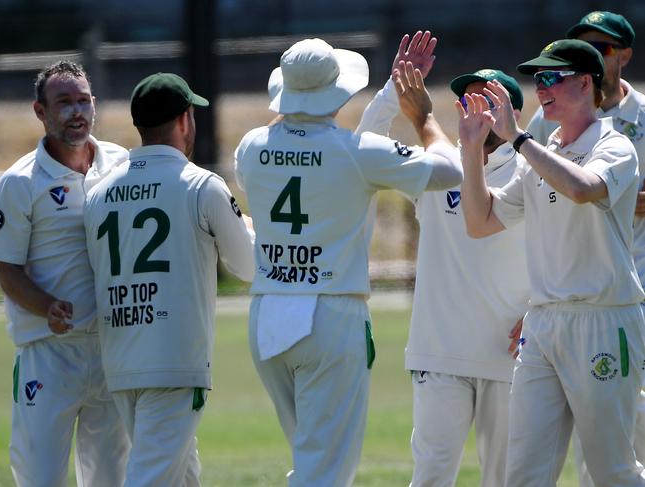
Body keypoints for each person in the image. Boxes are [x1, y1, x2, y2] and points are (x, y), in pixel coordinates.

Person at [234, 38, 463, 486]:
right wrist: (426, 118)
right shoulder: (355, 153)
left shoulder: (250, 146)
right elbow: (449, 171)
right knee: (326, 472)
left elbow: (314, 143)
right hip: (330, 315)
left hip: (267, 314)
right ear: (335, 91)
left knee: (312, 461)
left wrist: (386, 96)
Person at [459, 39, 645, 486]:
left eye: (550, 78)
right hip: (542, 325)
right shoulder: (542, 154)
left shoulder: (615, 145)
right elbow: (480, 221)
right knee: (523, 474)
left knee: (611, 470)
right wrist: (470, 151)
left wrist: (519, 138)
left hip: (603, 320)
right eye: (536, 79)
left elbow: (583, 189)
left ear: (585, 83)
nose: (540, 88)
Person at [357, 30, 530, 487]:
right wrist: (394, 89)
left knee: (507, 479)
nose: (472, 110)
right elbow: (362, 150)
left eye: (486, 101)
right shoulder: (438, 167)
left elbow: (565, 254)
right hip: (441, 356)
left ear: (511, 114)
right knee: (431, 478)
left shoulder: (535, 170)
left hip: (510, 357)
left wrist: (539, 313)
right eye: (465, 101)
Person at [83, 72, 255, 486]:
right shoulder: (201, 185)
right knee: (152, 477)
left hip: (121, 358)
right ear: (183, 121)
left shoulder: (98, 193)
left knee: (180, 475)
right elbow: (249, 266)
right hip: (175, 362)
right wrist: (248, 227)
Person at [0, 60, 130, 486]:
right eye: (65, 103)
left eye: (84, 101)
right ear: (41, 111)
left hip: (112, 349)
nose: (78, 112)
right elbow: (7, 269)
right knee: (39, 477)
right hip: (47, 354)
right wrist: (47, 306)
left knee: (111, 478)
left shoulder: (121, 163)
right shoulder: (19, 182)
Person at [525, 13, 645, 485]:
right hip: (571, 293)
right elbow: (535, 194)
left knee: (626, 426)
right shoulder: (544, 119)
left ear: (624, 55)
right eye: (584, 44)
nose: (595, 51)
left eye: (604, 46)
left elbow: (593, 188)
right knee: (579, 436)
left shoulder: (639, 120)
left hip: (627, 287)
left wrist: (617, 193)